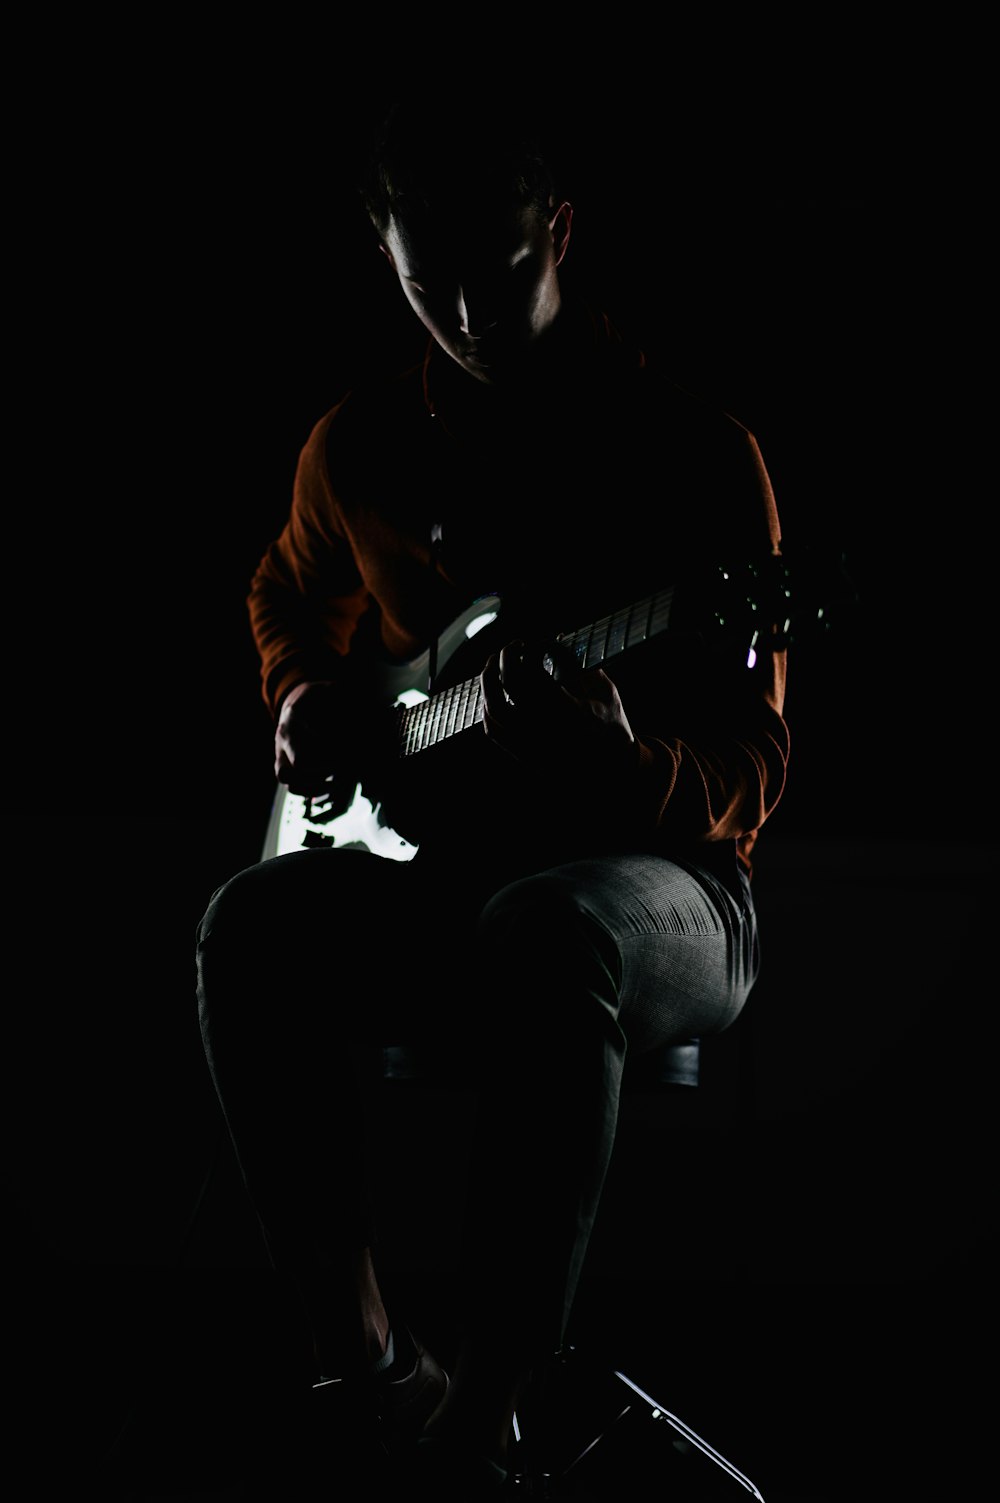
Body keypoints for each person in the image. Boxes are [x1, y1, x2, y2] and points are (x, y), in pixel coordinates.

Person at [196, 93, 789, 1498]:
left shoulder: (696, 454)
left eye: (500, 269)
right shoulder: (357, 447)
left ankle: (495, 1423)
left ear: (562, 230)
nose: (464, 308)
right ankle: (378, 1372)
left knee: (550, 925)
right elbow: (289, 589)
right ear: (387, 258)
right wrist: (299, 695)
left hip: (673, 890)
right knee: (248, 926)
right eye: (426, 280)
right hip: (451, 885)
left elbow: (753, 778)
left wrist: (617, 763)